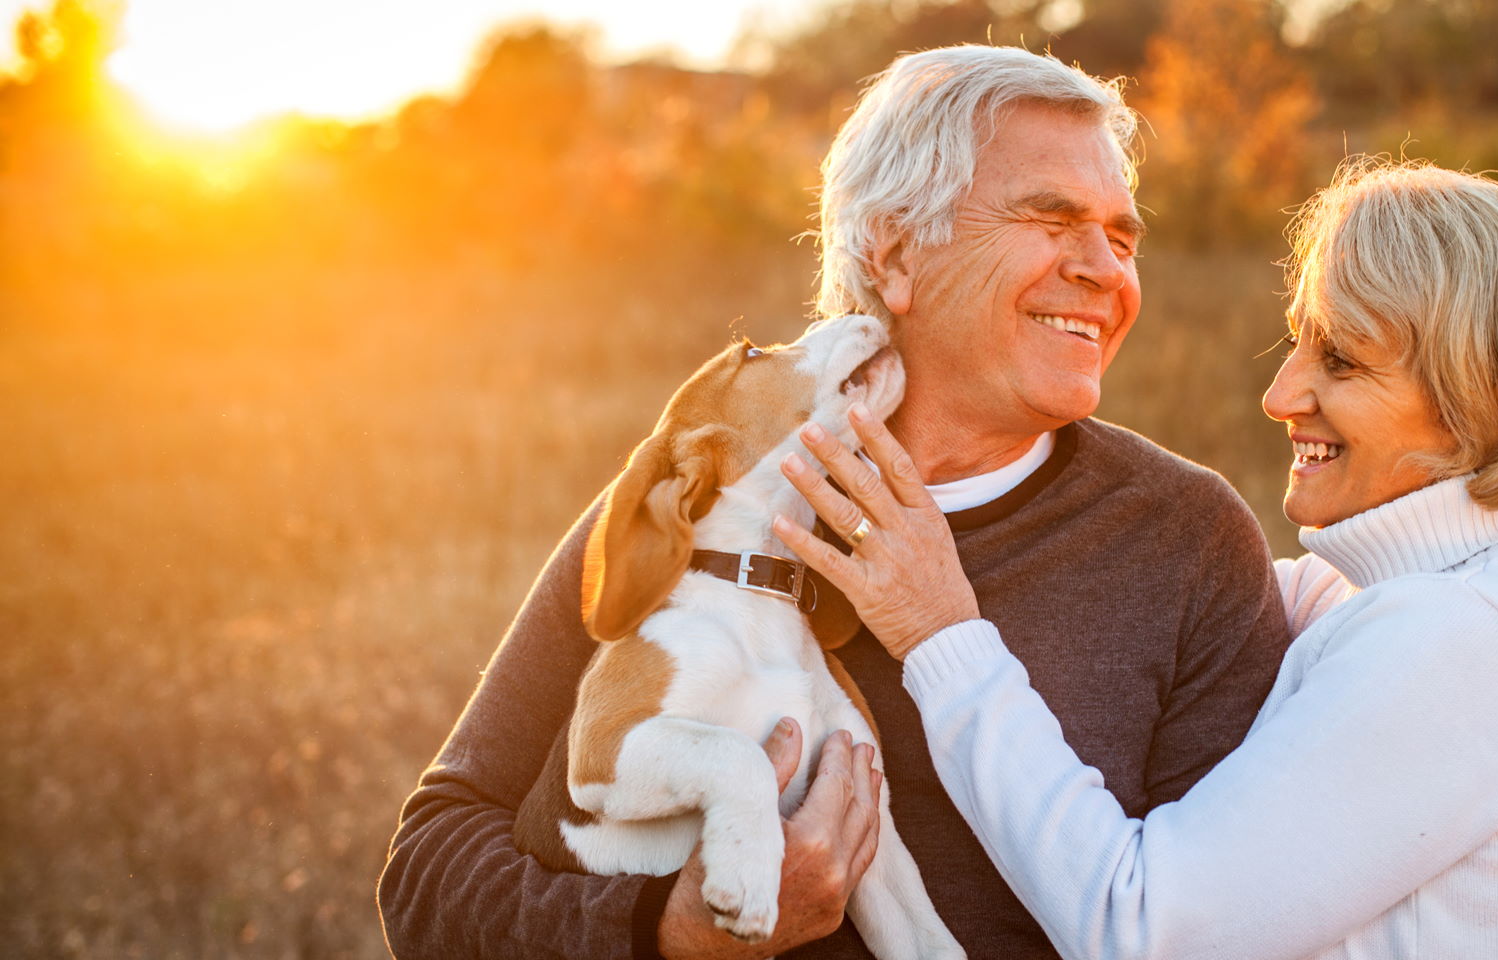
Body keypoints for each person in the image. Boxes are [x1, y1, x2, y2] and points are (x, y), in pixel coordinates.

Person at [378, 45, 1294, 958]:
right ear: (893, 253)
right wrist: (670, 930)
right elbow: (427, 871)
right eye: (1052, 221)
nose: (1105, 270)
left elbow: (1221, 924)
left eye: (1123, 237)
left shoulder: (1187, 541)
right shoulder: (709, 502)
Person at [775, 160, 1498, 958]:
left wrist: (941, 632)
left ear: (1495, 403)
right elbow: (1193, 587)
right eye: (1297, 342)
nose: (1280, 395)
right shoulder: (1394, 597)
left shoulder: (1464, 640)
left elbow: (1148, 928)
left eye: (1340, 359)